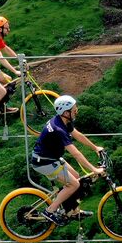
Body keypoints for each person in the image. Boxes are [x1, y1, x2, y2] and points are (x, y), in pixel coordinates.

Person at [31, 95, 105, 225]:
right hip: (43, 162)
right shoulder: (58, 129)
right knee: (74, 184)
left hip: (51, 157)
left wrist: (95, 148)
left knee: (76, 177)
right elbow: (76, 154)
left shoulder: (63, 121)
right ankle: (50, 210)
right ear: (66, 112)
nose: (77, 111)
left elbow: (78, 136)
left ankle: (74, 212)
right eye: (74, 110)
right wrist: (94, 169)